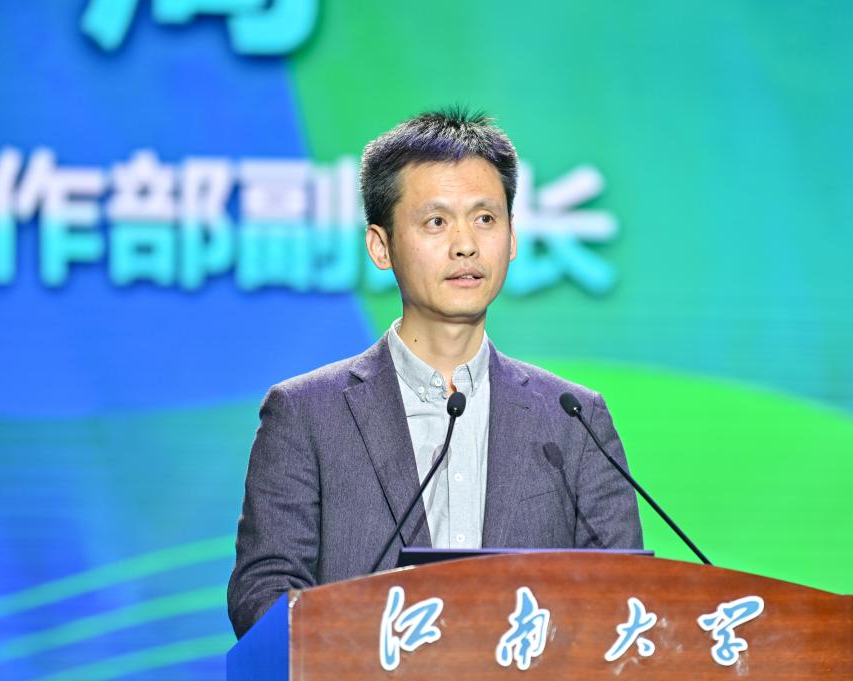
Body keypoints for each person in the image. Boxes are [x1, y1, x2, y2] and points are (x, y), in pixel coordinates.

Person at [227, 109, 642, 639]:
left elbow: (625, 596)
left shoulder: (574, 420)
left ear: (512, 238)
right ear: (381, 247)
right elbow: (262, 591)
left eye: (485, 219)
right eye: (436, 222)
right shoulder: (307, 415)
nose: (465, 244)